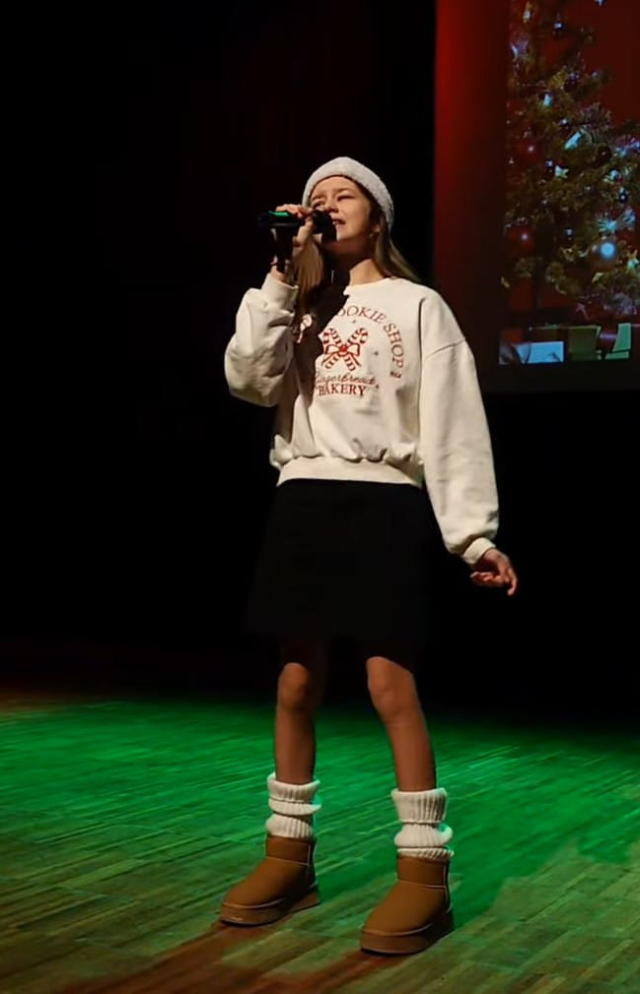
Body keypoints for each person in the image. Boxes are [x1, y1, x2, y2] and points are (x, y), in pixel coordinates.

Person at [220, 156, 518, 956]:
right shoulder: (295, 302)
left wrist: (473, 533)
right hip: (304, 495)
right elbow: (248, 380)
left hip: (383, 499)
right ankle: (289, 857)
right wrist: (281, 273)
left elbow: (453, 419)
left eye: (341, 195)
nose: (325, 205)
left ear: (378, 215)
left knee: (390, 683)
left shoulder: (419, 305)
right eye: (313, 199)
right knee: (295, 679)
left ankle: (424, 870)